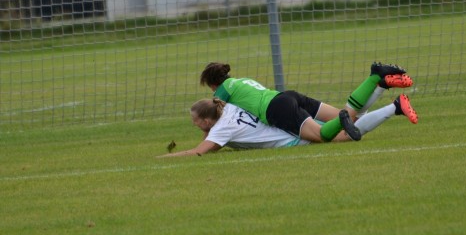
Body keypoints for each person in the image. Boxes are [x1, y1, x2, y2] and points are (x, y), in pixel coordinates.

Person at [199, 61, 415, 143]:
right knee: (354, 117)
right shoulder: (240, 81)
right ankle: (377, 81)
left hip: (278, 109)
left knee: (326, 136)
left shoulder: (223, 91)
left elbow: (215, 116)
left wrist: (208, 137)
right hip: (287, 96)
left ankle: (391, 107)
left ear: (212, 84)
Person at [156, 94, 418, 158]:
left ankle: (394, 106)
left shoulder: (221, 131)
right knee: (349, 119)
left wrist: (165, 157)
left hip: (292, 136)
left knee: (347, 135)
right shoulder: (229, 108)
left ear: (205, 120)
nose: (194, 125)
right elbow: (211, 134)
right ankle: (383, 92)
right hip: (290, 118)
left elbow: (200, 152)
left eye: (195, 121)